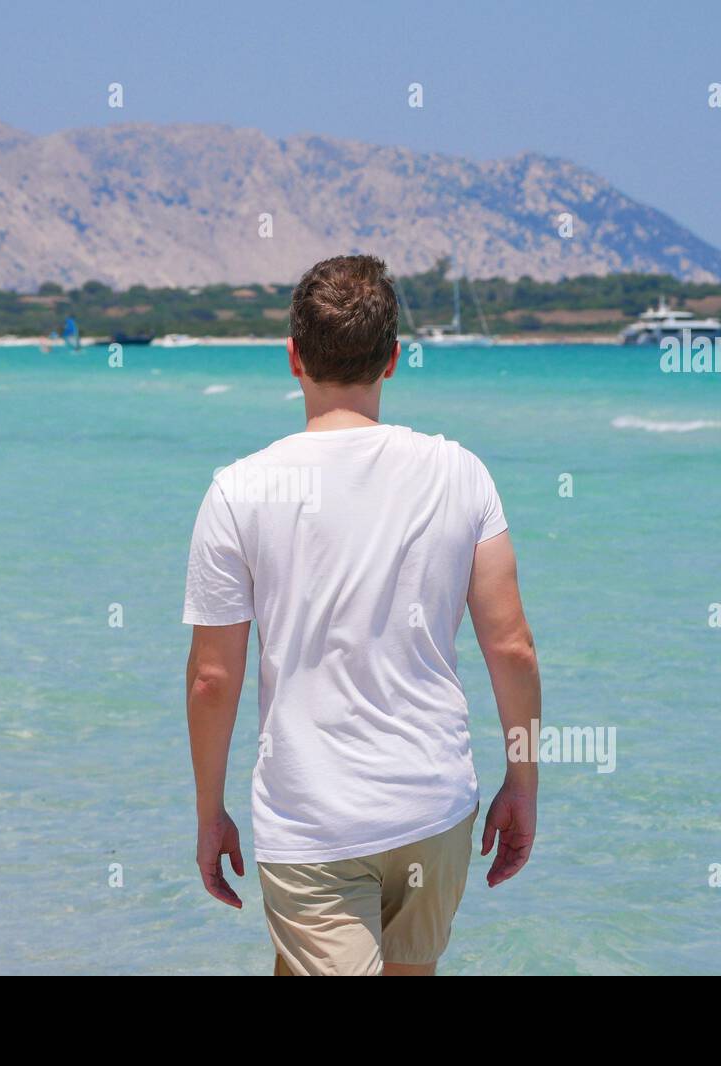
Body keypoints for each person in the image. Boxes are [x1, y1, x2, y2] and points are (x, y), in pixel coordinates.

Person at [182, 254, 541, 976]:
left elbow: (211, 680)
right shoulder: (460, 471)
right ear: (395, 360)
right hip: (433, 809)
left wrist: (209, 811)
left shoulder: (240, 490)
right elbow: (513, 650)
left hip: (314, 818)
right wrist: (523, 782)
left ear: (292, 359)